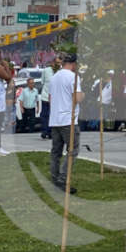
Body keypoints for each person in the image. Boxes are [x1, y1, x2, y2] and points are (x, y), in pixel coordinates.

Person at [47, 54, 82, 193]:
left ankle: (55, 178)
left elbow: (50, 99)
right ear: (73, 64)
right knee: (73, 150)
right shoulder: (73, 77)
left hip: (55, 119)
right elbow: (77, 98)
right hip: (68, 119)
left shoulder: (54, 77)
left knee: (56, 151)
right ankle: (62, 179)